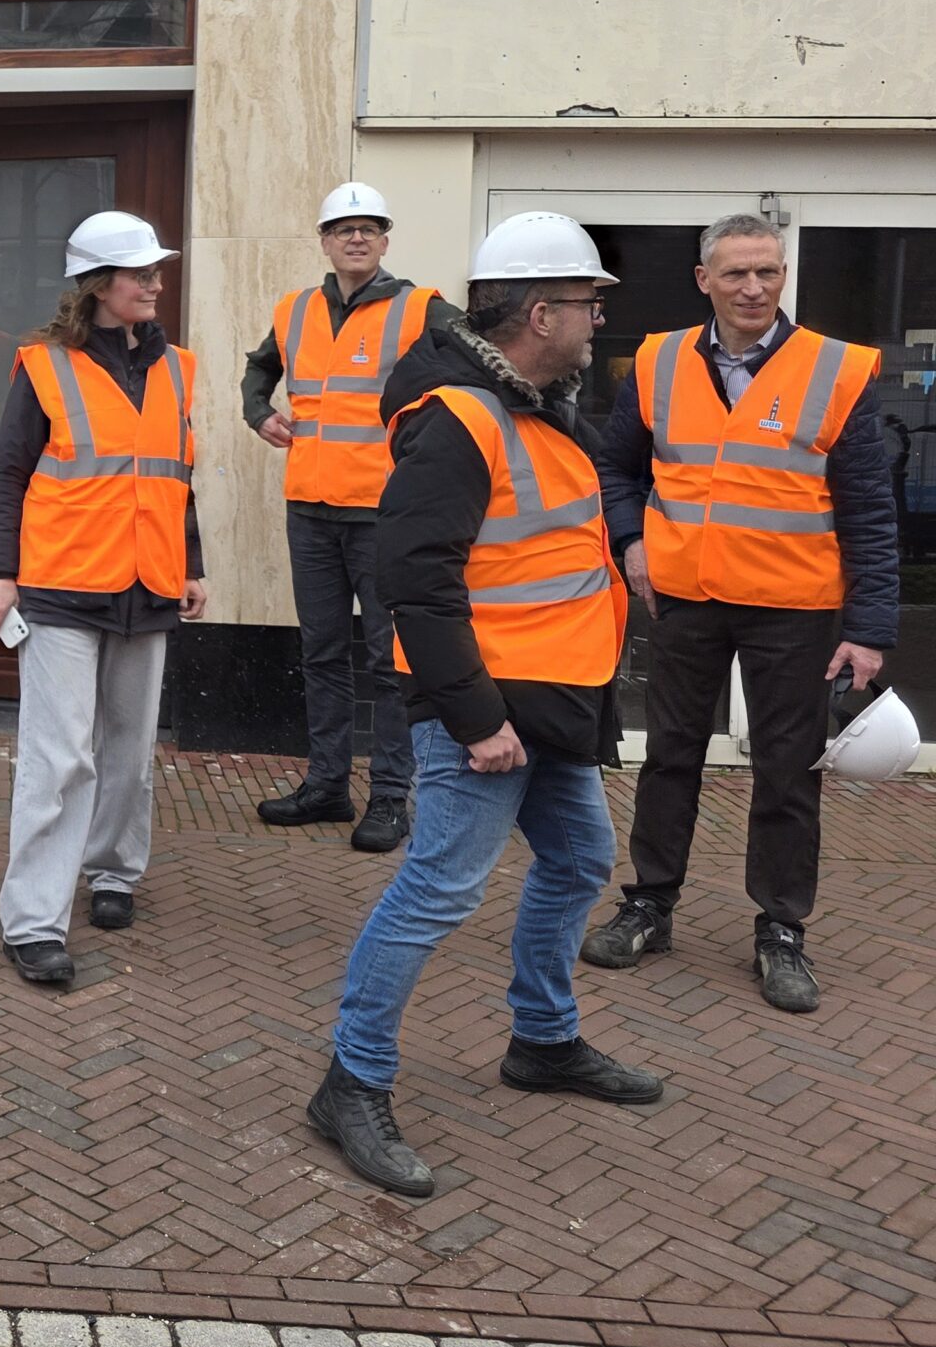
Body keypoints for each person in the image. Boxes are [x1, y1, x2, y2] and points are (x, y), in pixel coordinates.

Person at [308, 211, 662, 1200]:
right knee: (438, 889)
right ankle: (350, 1083)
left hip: (550, 698)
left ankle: (542, 1039)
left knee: (580, 860)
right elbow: (414, 580)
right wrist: (473, 719)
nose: (598, 320)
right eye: (588, 303)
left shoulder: (535, 407)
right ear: (541, 312)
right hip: (491, 710)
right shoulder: (460, 418)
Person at [579, 212, 898, 1013]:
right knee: (670, 757)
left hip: (795, 608)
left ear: (783, 275)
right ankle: (650, 903)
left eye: (768, 272)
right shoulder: (656, 361)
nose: (754, 288)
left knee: (788, 773)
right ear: (704, 280)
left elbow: (869, 510)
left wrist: (869, 630)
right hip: (685, 598)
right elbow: (615, 469)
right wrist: (631, 542)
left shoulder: (836, 370)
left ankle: (782, 928)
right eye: (736, 273)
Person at [0, 212, 206, 989]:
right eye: (140, 273)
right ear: (99, 285)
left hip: (149, 584)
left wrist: (192, 565)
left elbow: (176, 475)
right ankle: (33, 920)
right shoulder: (44, 366)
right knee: (60, 758)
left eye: (156, 271)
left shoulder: (177, 367)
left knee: (129, 752)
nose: (155, 283)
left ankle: (112, 871)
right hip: (60, 586)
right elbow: (7, 473)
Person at [246, 182, 457, 852]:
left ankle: (391, 797)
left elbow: (475, 366)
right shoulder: (295, 310)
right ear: (325, 241)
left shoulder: (420, 308)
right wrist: (259, 413)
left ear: (385, 240)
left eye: (369, 228)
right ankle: (327, 785)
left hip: (382, 513)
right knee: (322, 652)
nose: (356, 237)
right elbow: (258, 372)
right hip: (309, 509)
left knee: (389, 660)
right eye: (343, 228)